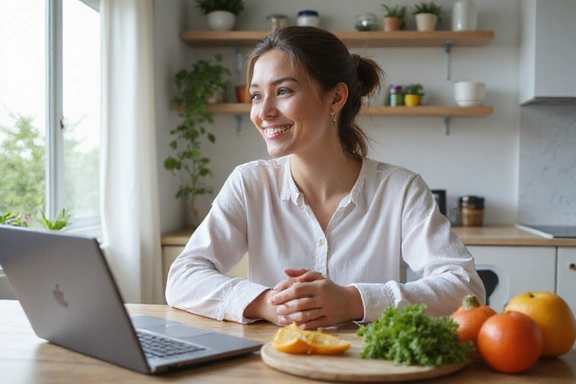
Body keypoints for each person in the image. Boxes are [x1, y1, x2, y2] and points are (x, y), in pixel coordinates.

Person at [165, 26, 485, 330]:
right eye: (257, 96)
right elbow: (183, 278)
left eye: (283, 91)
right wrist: (265, 302)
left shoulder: (400, 190)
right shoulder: (249, 184)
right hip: (276, 364)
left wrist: (354, 301)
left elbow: (465, 288)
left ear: (335, 99)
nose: (263, 113)